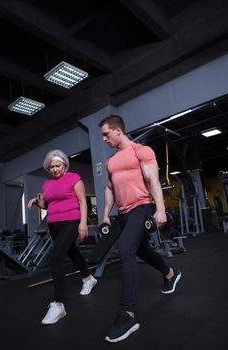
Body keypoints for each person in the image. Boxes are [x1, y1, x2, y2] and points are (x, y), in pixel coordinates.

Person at [99, 115, 181, 343]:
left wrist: (161, 210)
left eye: (106, 134)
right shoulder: (111, 162)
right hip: (123, 213)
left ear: (117, 130)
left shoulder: (141, 151)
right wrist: (105, 214)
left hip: (141, 208)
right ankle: (170, 274)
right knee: (141, 250)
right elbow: (109, 189)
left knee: (125, 248)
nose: (104, 139)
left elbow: (153, 181)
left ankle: (127, 314)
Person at [27, 149, 97, 325]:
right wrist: (36, 202)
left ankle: (58, 305)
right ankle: (88, 279)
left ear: (64, 165)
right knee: (72, 252)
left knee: (56, 257)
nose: (55, 169)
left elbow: (82, 202)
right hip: (53, 224)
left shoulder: (74, 178)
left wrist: (83, 224)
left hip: (71, 221)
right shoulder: (47, 184)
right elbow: (47, 204)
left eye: (57, 166)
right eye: (51, 167)